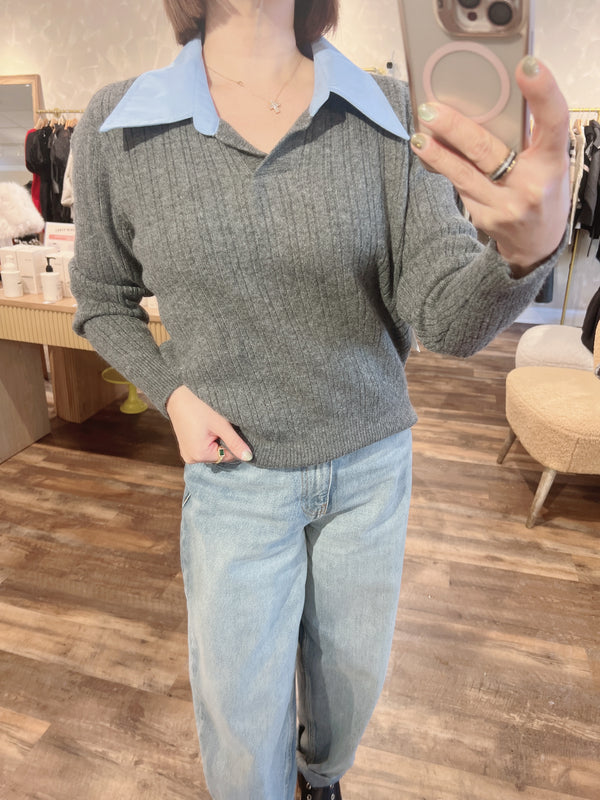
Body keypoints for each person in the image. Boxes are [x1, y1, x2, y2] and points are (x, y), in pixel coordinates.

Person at [69, 1, 570, 798]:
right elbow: (101, 296)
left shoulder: (389, 112)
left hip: (369, 469)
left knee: (350, 693)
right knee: (240, 731)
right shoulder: (120, 125)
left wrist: (523, 252)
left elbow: (447, 321)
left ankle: (323, 777)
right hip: (235, 479)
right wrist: (172, 395)